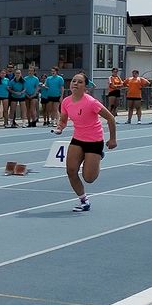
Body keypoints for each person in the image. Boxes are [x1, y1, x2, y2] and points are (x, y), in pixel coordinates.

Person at [54, 72, 117, 213]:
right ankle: (83, 200)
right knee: (71, 171)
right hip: (77, 139)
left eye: (80, 82)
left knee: (88, 178)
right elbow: (63, 120)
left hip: (94, 140)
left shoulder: (91, 102)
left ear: (85, 87)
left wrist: (112, 139)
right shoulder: (66, 102)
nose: (75, 83)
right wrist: (60, 127)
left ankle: (98, 156)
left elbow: (110, 118)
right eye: (74, 81)